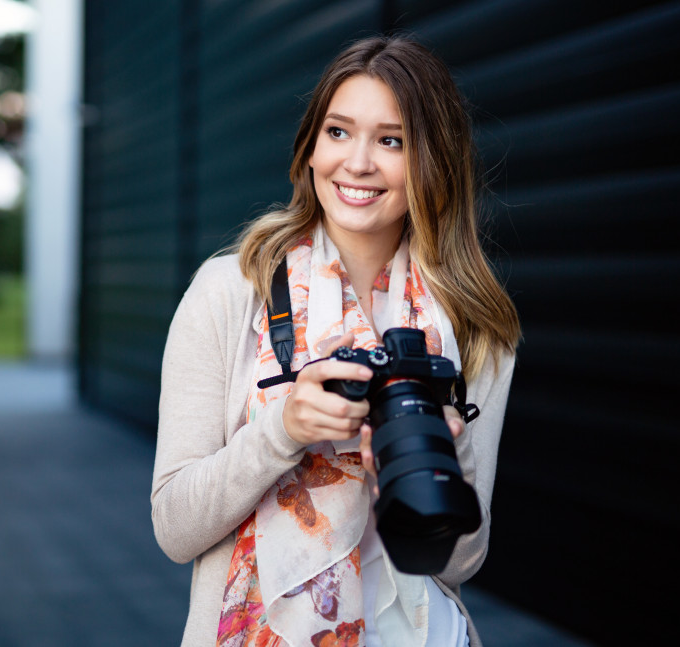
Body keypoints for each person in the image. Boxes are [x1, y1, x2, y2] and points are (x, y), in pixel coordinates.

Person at [152, 35, 520, 647]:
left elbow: (457, 565)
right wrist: (282, 430)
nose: (358, 163)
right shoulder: (231, 291)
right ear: (311, 147)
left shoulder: (474, 325)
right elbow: (174, 528)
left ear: (435, 160)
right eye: (339, 132)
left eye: (392, 140)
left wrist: (445, 462)